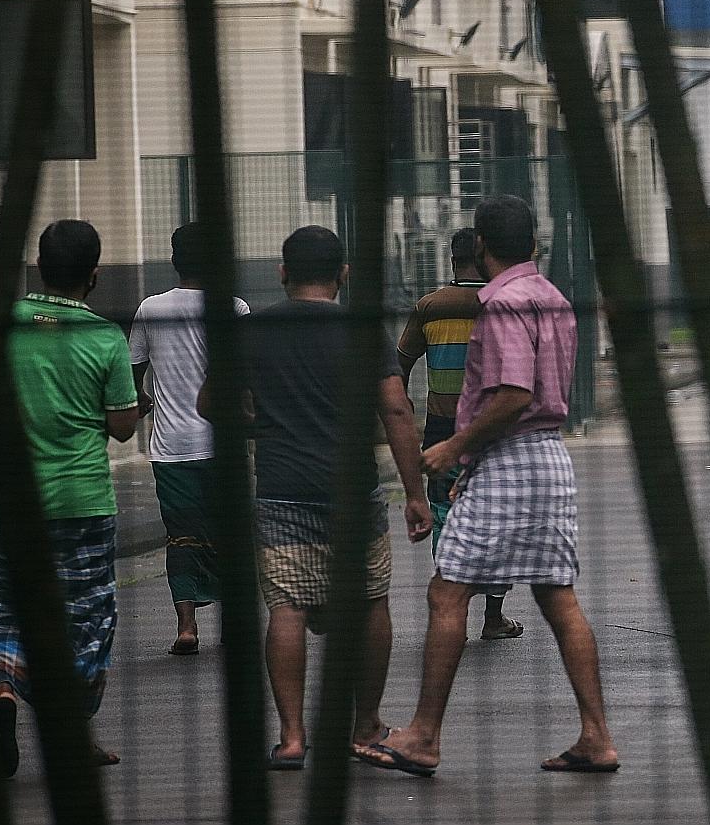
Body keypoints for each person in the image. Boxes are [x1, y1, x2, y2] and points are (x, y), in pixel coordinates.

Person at [359, 195, 618, 778]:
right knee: (557, 596)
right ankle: (597, 736)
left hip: (509, 458)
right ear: (534, 245)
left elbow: (513, 395)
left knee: (447, 593)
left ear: (480, 246)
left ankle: (422, 737)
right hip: (550, 459)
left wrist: (455, 446)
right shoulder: (552, 297)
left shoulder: (500, 303)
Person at [207, 225, 429, 770]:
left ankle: (291, 737)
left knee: (287, 606)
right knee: (371, 600)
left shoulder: (251, 330)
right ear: (343, 275)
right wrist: (417, 494)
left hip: (282, 489)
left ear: (283, 273)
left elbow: (209, 402)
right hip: (352, 490)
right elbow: (397, 411)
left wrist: (257, 423)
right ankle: (367, 725)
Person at [0, 220, 139, 778]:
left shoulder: (2, 325)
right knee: (85, 616)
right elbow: (122, 428)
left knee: (8, 605)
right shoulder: (103, 337)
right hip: (82, 502)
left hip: (14, 502)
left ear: (37, 269)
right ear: (95, 276)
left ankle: (3, 689)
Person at [129, 223, 251, 655]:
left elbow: (134, 373)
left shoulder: (150, 308)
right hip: (224, 446)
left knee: (181, 535)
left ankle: (186, 627)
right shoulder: (233, 309)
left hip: (171, 448)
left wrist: (145, 400)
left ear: (174, 259)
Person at [396, 226, 520, 641]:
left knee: (447, 513)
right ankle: (493, 615)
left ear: (450, 259)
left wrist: (405, 405)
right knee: (497, 517)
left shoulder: (429, 305)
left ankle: (453, 606)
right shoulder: (502, 305)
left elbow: (400, 363)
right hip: (492, 430)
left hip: (441, 430)